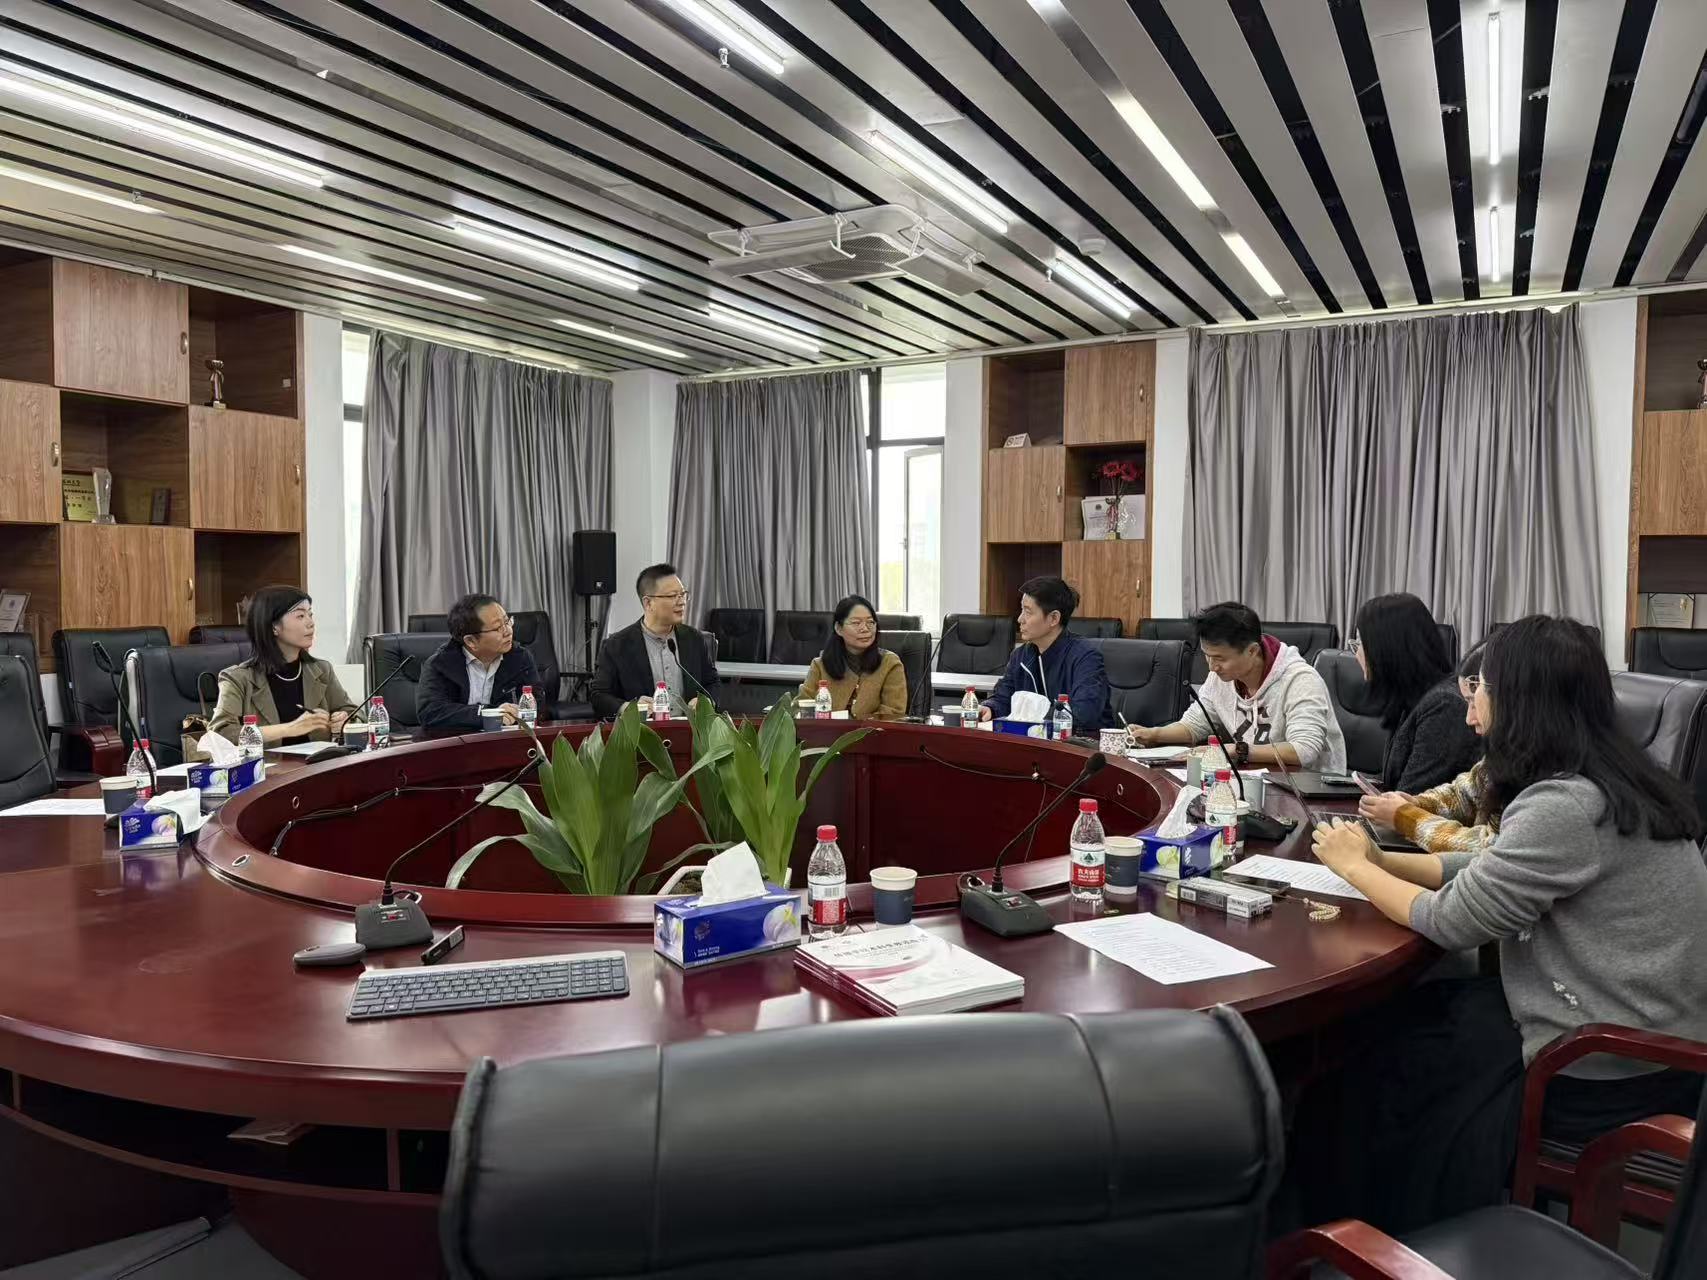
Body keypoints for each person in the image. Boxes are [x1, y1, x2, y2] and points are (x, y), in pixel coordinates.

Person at [1295, 616, 1707, 1234]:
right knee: (1393, 1020)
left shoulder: (1565, 805)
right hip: (1638, 1029)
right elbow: (1496, 869)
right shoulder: (1611, 780)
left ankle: (1364, 1233)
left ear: (1522, 702)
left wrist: (1356, 868)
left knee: (1373, 1069)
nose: (1469, 715)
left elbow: (1450, 921)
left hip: (1603, 1066)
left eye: (1480, 692)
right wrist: (1382, 860)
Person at [1125, 601, 1345, 771]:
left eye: (1220, 658)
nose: (1212, 667)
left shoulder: (1300, 680)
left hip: (1311, 791)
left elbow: (1304, 750)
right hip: (1258, 778)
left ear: (1252, 651)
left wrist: (1237, 750)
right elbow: (1194, 726)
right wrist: (1154, 734)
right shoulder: (1221, 678)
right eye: (1207, 656)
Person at [1360, 641, 1500, 853]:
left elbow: (1491, 850)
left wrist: (1406, 817)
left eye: (1474, 702)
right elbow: (1463, 794)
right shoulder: (1505, 754)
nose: (1469, 719)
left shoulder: (1544, 782)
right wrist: (1416, 804)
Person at [1353, 593, 1480, 793]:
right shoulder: (1411, 699)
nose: (1357, 653)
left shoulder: (1444, 706)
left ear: (1386, 648)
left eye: (1360, 642)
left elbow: (1410, 800)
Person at [208, 586, 358, 745]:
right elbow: (220, 734)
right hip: (267, 762)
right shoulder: (238, 679)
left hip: (318, 760)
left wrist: (345, 720)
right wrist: (290, 728)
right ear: (274, 626)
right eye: (300, 616)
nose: (311, 623)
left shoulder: (321, 670)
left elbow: (355, 713)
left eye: (310, 614)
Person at [979, 576, 1112, 731]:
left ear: (1053, 618)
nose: (1020, 619)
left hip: (1082, 742)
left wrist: (1029, 715)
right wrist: (990, 708)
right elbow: (1003, 698)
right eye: (1021, 610)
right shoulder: (1020, 656)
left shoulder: (1086, 657)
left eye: (1028, 612)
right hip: (1033, 739)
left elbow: (1083, 713)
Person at [591, 564, 720, 719]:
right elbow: (599, 696)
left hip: (689, 729)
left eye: (683, 594)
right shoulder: (616, 645)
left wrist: (706, 701)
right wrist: (628, 708)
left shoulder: (694, 639)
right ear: (648, 603)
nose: (682, 602)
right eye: (673, 596)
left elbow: (713, 683)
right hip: (642, 731)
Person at [417, 594, 543, 732]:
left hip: (505, 739)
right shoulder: (440, 664)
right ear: (471, 641)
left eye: (507, 622)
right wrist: (489, 714)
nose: (508, 631)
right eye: (497, 628)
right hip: (456, 741)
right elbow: (431, 713)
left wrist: (517, 711)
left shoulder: (520, 658)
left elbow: (537, 702)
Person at [795, 595, 908, 721]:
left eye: (870, 622)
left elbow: (893, 714)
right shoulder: (820, 665)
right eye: (856, 623)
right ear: (838, 628)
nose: (865, 629)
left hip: (873, 732)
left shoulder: (890, 664)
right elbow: (800, 707)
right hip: (826, 733)